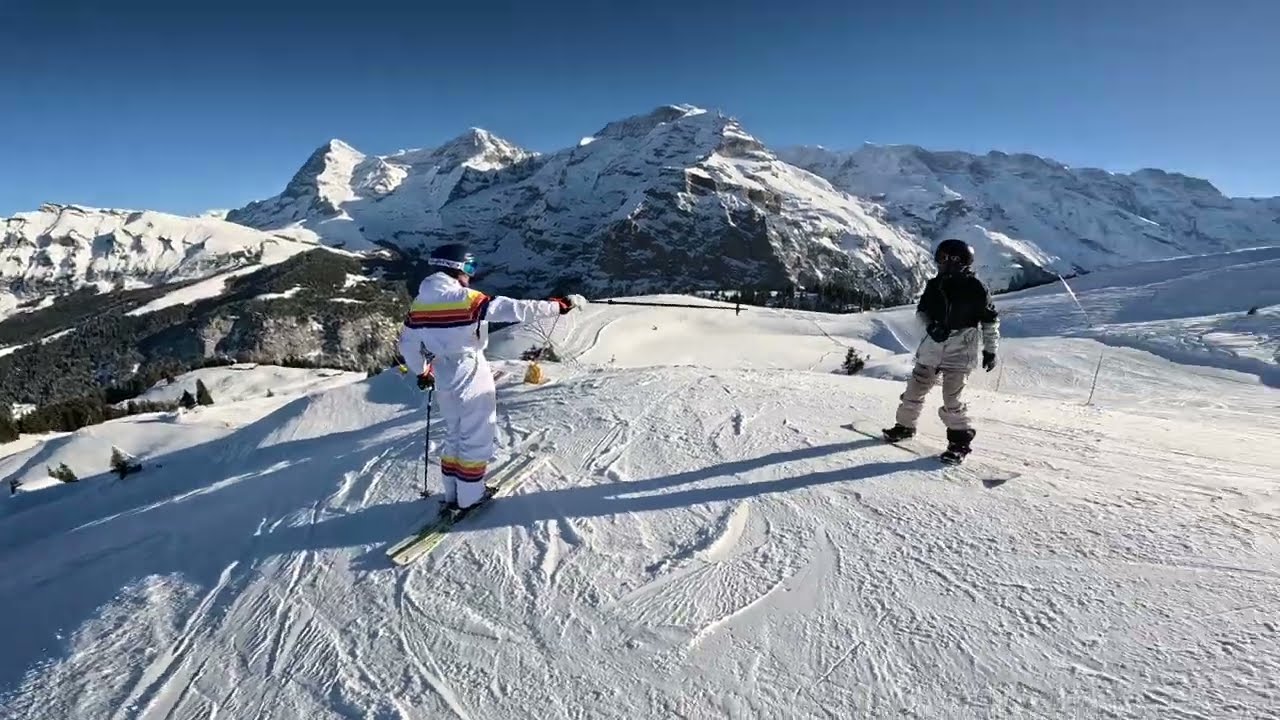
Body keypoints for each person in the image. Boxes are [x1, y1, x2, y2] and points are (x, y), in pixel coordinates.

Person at [397, 243, 586, 510]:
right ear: (456, 267)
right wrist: (559, 306)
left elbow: (407, 345)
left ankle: (452, 494)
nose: (471, 274)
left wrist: (422, 372)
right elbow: (516, 309)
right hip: (469, 368)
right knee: (476, 433)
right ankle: (471, 496)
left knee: (454, 433)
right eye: (470, 267)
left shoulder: (419, 304)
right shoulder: (465, 298)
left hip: (443, 373)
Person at [882, 239, 999, 460]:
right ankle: (905, 426)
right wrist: (930, 326)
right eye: (942, 259)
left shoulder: (976, 288)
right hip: (932, 347)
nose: (945, 264)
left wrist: (990, 350)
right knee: (914, 390)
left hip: (960, 350)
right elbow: (922, 312)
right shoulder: (935, 285)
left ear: (963, 262)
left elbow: (990, 321)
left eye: (950, 259)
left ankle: (960, 441)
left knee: (952, 399)